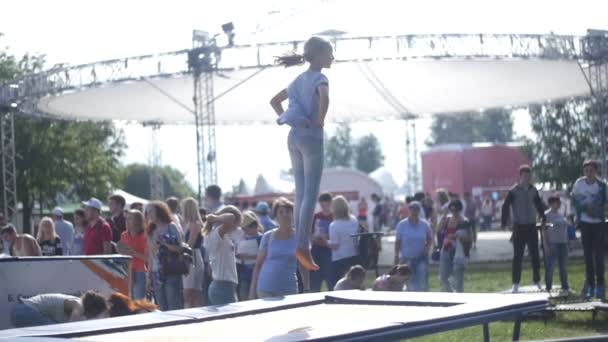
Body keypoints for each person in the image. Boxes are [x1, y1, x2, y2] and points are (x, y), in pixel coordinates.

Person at [270, 36, 334, 271]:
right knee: (311, 193)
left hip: (294, 137)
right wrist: (319, 120)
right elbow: (325, 97)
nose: (332, 58)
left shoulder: (296, 81)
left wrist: (289, 121)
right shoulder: (320, 77)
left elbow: (275, 101)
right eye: (329, 53)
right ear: (318, 55)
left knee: (300, 193)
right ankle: (302, 245)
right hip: (311, 137)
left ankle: (298, 242)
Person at [501, 165, 546, 293]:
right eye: (524, 175)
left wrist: (543, 217)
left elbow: (539, 205)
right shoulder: (513, 191)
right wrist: (505, 222)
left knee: (535, 255)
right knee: (517, 257)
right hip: (519, 228)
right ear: (520, 176)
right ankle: (516, 283)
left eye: (528, 176)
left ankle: (537, 281)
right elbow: (505, 206)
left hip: (532, 226)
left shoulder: (533, 190)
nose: (526, 178)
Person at [571, 159, 607, 299]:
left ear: (596, 171)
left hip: (598, 224)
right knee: (588, 258)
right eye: (586, 170)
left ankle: (600, 286)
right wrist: (585, 208)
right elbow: (574, 201)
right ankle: (590, 286)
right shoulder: (579, 184)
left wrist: (595, 209)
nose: (589, 173)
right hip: (585, 224)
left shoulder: (601, 185)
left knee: (599, 258)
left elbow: (604, 202)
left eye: (591, 170)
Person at [250, 198, 299, 298]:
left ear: (293, 215)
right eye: (281, 212)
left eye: (288, 212)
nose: (285, 215)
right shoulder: (268, 236)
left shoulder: (299, 237)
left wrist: (307, 287)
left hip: (289, 289)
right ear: (276, 217)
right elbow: (258, 265)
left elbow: (303, 265)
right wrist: (252, 291)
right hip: (266, 288)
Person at [145, 201, 185, 311]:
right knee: (161, 307)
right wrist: (148, 276)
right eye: (147, 212)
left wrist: (163, 243)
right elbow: (151, 255)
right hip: (156, 272)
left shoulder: (171, 227)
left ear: (159, 211)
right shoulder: (151, 230)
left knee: (174, 305)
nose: (149, 214)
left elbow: (179, 249)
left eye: (151, 211)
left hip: (170, 270)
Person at [203, 205, 242, 305]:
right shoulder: (217, 234)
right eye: (236, 224)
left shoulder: (222, 236)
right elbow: (230, 217)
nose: (236, 227)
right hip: (223, 287)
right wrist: (215, 218)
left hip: (226, 286)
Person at [10, 291, 108, 328]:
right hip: (24, 311)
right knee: (55, 332)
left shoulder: (77, 304)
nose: (94, 317)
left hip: (21, 311)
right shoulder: (79, 305)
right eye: (96, 314)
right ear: (94, 309)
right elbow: (69, 328)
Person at [394, 201, 433, 292]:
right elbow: (398, 241)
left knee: (422, 281)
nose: (415, 212)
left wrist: (427, 248)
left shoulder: (424, 224)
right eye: (413, 209)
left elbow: (430, 238)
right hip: (407, 258)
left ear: (419, 211)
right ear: (409, 210)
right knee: (410, 283)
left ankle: (424, 300)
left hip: (421, 258)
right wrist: (396, 255)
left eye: (417, 210)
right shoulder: (402, 225)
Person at [438, 200, 472, 293]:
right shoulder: (447, 219)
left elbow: (469, 238)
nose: (454, 212)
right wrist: (443, 217)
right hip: (446, 248)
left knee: (458, 276)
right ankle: (451, 293)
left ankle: (459, 296)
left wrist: (457, 236)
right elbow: (438, 230)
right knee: (443, 275)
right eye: (452, 210)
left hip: (459, 250)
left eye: (456, 210)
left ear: (460, 209)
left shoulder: (464, 221)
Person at [328, 195, 359, 290]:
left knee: (339, 287)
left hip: (339, 259)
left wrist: (324, 241)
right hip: (353, 255)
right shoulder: (354, 220)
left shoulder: (334, 225)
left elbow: (335, 245)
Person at [117, 210, 148, 300]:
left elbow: (148, 258)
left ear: (138, 221)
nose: (127, 221)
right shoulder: (124, 235)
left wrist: (133, 253)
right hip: (127, 271)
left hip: (141, 271)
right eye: (126, 218)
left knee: (138, 301)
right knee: (128, 300)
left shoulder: (145, 235)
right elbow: (122, 254)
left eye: (130, 218)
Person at [181, 197, 205, 308]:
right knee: (192, 292)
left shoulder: (194, 224)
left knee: (191, 291)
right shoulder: (189, 223)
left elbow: (190, 244)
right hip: (191, 256)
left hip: (192, 257)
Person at [543, 194, 570, 294]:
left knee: (563, 267)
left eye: (559, 202)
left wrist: (568, 242)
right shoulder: (546, 215)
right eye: (556, 202)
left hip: (563, 243)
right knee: (550, 267)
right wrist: (546, 245)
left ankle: (565, 286)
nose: (558, 204)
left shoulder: (560, 214)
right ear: (551, 204)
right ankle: (548, 287)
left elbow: (565, 229)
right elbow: (544, 231)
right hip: (553, 244)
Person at [236, 211, 263, 300]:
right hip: (244, 273)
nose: (245, 231)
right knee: (243, 296)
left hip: (257, 273)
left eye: (246, 229)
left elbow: (264, 256)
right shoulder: (243, 238)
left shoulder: (261, 238)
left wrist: (247, 257)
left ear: (254, 226)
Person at [310, 192, 334, 292]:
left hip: (329, 249)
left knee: (330, 276)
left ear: (330, 203)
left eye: (326, 204)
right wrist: (313, 239)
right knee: (315, 277)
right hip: (316, 249)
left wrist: (327, 238)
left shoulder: (334, 216)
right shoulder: (316, 216)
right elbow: (310, 232)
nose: (324, 206)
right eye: (322, 204)